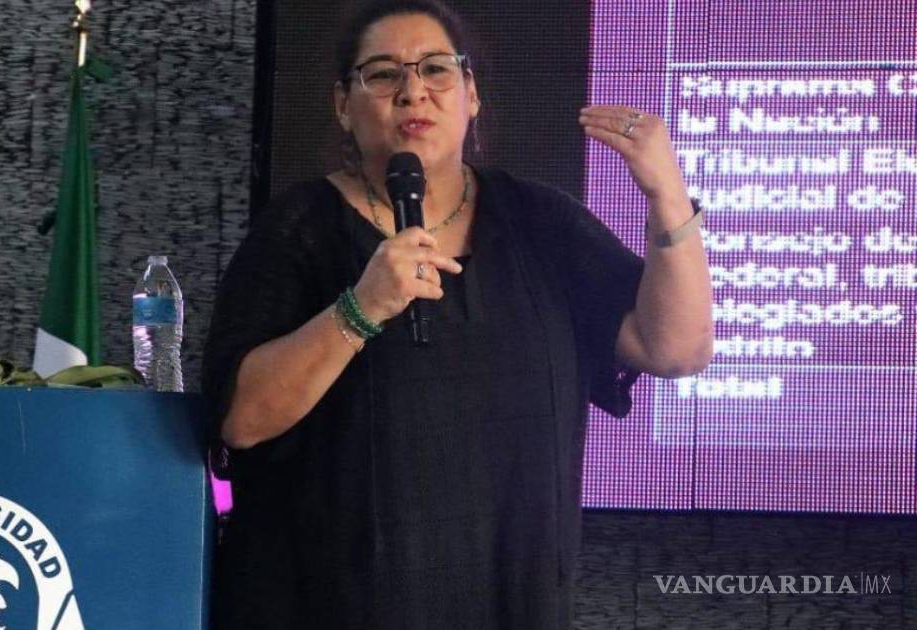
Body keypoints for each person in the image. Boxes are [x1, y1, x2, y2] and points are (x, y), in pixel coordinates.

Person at [202, 1, 713, 627]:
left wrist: (668, 197)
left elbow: (676, 349)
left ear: (471, 95)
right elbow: (241, 420)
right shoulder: (298, 229)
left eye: (436, 69)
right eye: (382, 73)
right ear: (343, 105)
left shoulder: (539, 221)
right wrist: (360, 309)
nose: (413, 91)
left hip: (508, 599)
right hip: (331, 604)